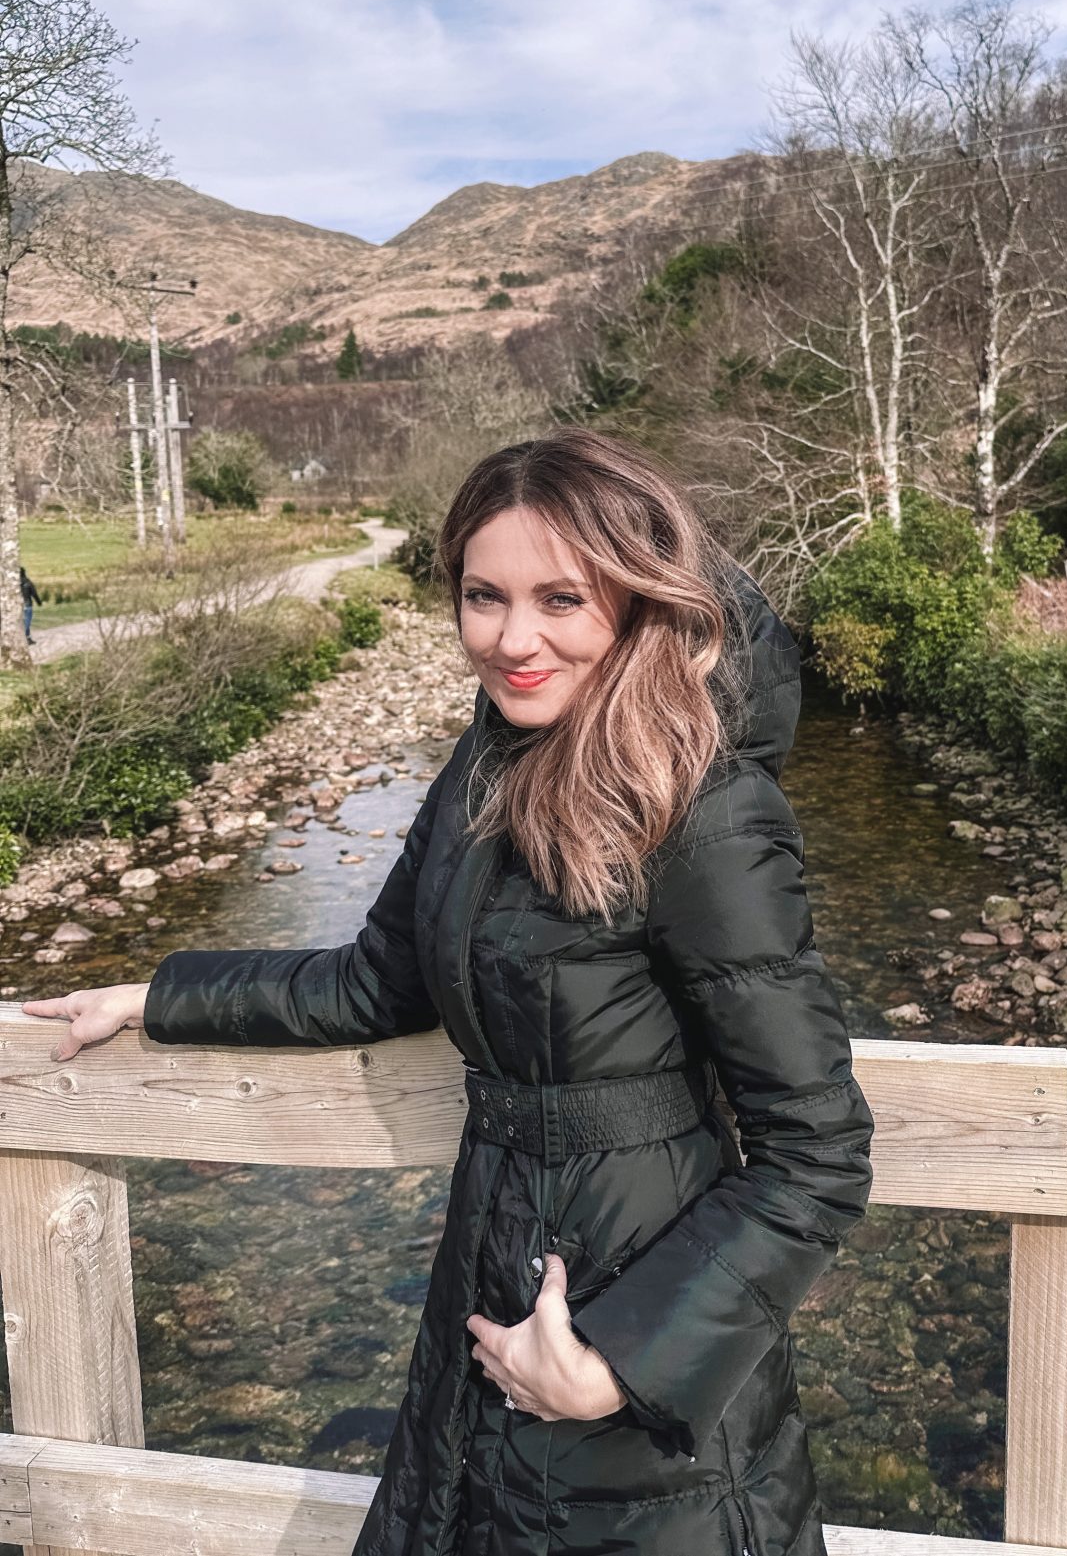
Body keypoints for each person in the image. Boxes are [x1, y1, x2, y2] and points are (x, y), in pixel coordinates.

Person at [22, 424, 876, 1556]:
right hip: (493, 1266)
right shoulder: (485, 766)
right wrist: (157, 994)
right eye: (485, 596)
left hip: (632, 1309)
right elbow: (376, 982)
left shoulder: (705, 807)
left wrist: (620, 1363)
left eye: (561, 598)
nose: (514, 639)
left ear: (636, 600)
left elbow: (819, 1150)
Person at [19, 565, 43, 644]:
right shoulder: (27, 582)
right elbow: (34, 593)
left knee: (23, 622)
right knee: (27, 622)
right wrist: (39, 602)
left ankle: (27, 638)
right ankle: (23, 638)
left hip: (17, 605)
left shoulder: (12, 584)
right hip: (27, 604)